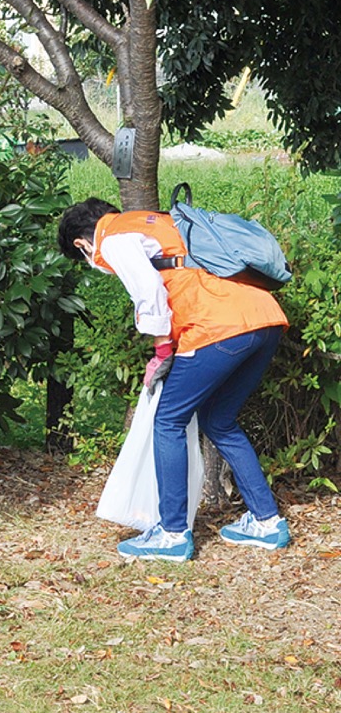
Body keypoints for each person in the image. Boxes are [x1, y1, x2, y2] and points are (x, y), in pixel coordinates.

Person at [58, 198, 292, 561]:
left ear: (82, 244)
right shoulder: (157, 222)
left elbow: (149, 293)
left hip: (218, 328)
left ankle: (171, 533)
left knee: (167, 421)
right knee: (219, 421)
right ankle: (267, 521)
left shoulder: (113, 238)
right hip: (264, 319)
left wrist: (162, 352)